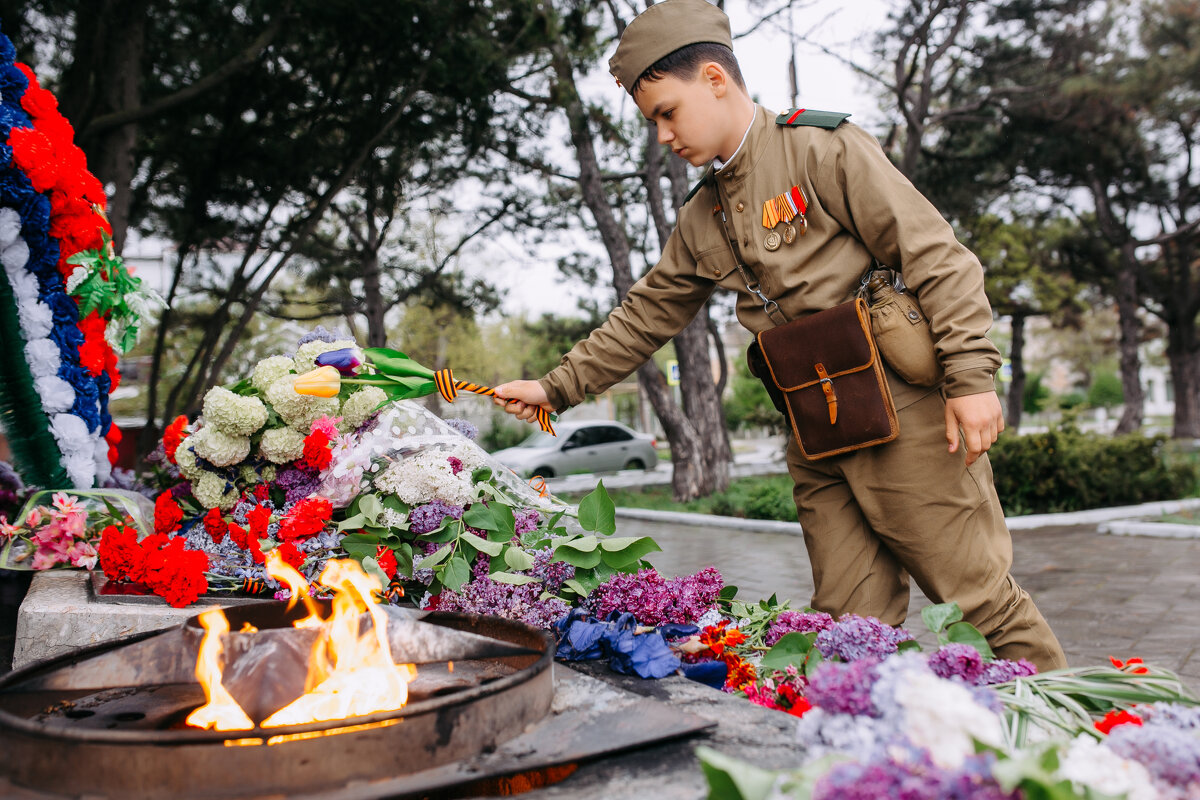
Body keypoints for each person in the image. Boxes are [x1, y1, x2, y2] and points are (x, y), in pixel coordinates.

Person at [494, 0, 1066, 670]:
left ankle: (1077, 757)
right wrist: (557, 386)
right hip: (814, 431)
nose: (662, 136)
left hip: (904, 413)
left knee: (978, 603)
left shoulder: (820, 146)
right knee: (850, 627)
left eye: (666, 112)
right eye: (653, 120)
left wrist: (970, 377)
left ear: (714, 79)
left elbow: (936, 256)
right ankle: (873, 759)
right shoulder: (703, 215)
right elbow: (646, 313)